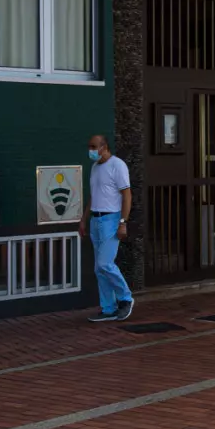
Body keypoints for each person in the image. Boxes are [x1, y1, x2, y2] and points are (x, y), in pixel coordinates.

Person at [86, 130, 136, 320]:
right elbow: (94, 196)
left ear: (104, 147)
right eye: (89, 147)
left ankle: (126, 298)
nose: (90, 150)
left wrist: (123, 222)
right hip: (95, 219)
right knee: (99, 268)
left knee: (105, 263)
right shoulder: (95, 167)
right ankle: (108, 308)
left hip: (111, 220)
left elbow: (127, 195)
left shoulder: (117, 165)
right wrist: (84, 220)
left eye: (93, 147)